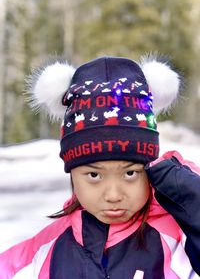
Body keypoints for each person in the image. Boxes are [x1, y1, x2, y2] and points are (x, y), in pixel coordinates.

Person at [0, 55, 200, 279]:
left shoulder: (180, 239)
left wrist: (193, 199)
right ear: (72, 173)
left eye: (130, 173)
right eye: (94, 175)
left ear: (152, 168)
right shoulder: (43, 252)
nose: (113, 195)